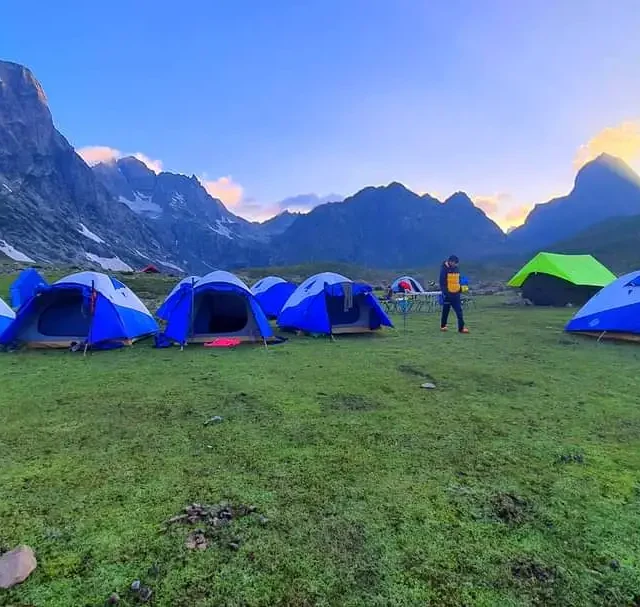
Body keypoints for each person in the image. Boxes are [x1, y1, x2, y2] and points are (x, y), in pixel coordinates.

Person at [439, 255, 469, 333]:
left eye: (456, 263)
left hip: (456, 294)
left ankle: (461, 328)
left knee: (459, 311)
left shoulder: (456, 269)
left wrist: (460, 289)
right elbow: (442, 283)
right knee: (446, 311)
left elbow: (458, 280)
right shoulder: (444, 270)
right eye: (455, 263)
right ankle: (443, 326)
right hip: (448, 295)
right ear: (450, 262)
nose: (456, 265)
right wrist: (446, 293)